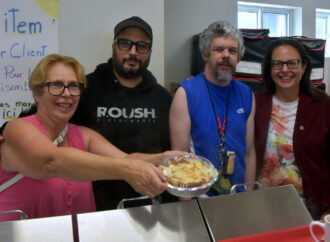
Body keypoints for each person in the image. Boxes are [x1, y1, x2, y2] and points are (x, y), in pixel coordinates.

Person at [0, 54, 184, 222]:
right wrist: (126, 170)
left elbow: (127, 159)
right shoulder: (17, 128)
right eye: (55, 84)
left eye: (73, 86)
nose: (67, 93)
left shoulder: (82, 135)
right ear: (37, 92)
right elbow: (51, 161)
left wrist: (165, 159)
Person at [69, 16, 175, 210]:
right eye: (125, 43)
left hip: (146, 204)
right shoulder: (85, 88)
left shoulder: (162, 98)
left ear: (150, 52)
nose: (133, 52)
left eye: (142, 46)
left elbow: (167, 155)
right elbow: (47, 120)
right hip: (90, 204)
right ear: (114, 47)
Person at [170, 21, 256, 196]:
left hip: (238, 196)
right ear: (205, 54)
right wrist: (187, 202)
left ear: (238, 57)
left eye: (232, 50)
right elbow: (178, 158)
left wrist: (249, 194)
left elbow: (249, 152)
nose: (226, 55)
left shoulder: (247, 94)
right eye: (219, 49)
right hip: (200, 197)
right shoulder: (185, 93)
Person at [254, 38, 330, 220]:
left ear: (303, 67)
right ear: (269, 69)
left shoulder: (323, 106)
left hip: (310, 210)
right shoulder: (255, 103)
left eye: (292, 63)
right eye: (278, 64)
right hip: (262, 206)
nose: (285, 70)